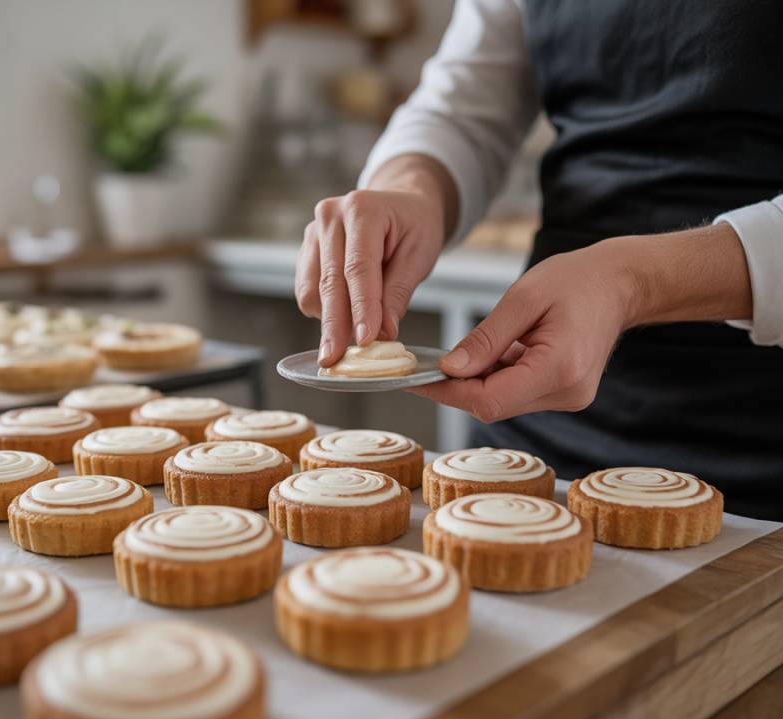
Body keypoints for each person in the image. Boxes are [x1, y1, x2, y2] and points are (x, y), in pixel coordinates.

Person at [295, 0, 783, 519]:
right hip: (529, 430)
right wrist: (410, 186)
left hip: (757, 451)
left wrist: (633, 281)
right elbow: (464, 105)